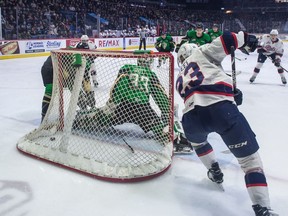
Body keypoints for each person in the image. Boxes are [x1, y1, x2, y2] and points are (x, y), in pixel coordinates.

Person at [176, 31, 278, 216]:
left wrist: (230, 92)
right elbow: (228, 38)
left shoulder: (179, 77)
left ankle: (214, 170)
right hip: (221, 111)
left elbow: (202, 88)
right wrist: (247, 39)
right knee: (250, 161)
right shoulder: (201, 52)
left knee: (199, 143)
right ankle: (262, 208)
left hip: (191, 120)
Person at [73, 58, 170, 144]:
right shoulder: (151, 75)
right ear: (150, 64)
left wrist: (112, 103)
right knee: (159, 128)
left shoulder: (127, 68)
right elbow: (159, 95)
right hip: (143, 109)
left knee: (100, 117)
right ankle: (170, 137)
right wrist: (166, 112)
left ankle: (78, 120)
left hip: (124, 107)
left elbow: (119, 86)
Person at [40, 35, 97, 122]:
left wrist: (88, 93)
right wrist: (89, 95)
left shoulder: (81, 58)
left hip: (58, 69)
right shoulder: (80, 60)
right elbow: (84, 80)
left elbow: (84, 80)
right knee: (51, 90)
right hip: (50, 69)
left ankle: (83, 106)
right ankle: (44, 118)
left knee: (73, 87)